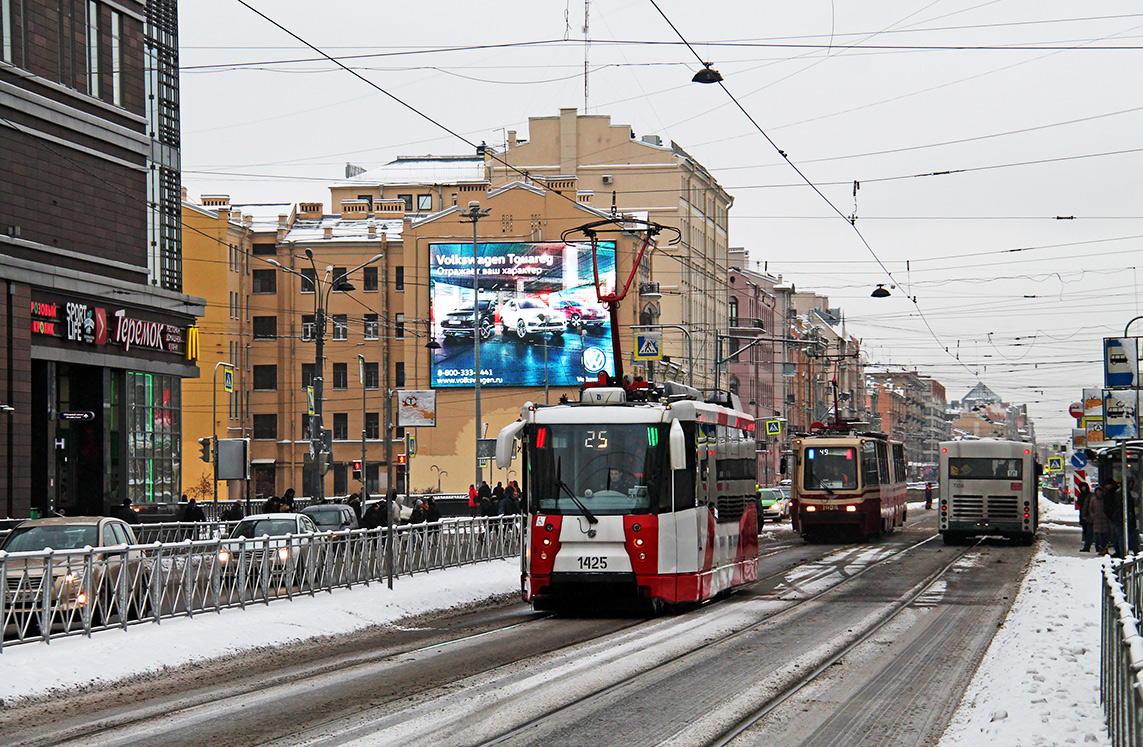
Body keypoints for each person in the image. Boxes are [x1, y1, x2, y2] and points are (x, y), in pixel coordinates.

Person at [1092, 485, 1111, 555]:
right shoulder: (1093, 500)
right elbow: (1090, 509)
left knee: (1105, 536)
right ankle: (1100, 548)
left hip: (1104, 520)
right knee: (1099, 536)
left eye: (1099, 491)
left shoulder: (1104, 500)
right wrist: (1093, 516)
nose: (1098, 493)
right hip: (1097, 521)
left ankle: (1103, 548)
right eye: (1097, 491)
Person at [1077, 482, 1094, 552]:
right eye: (1082, 487)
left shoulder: (1090, 496)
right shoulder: (1080, 495)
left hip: (1089, 515)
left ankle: (1087, 545)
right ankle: (1087, 544)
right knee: (1086, 530)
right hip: (1083, 514)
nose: (1083, 488)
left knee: (1089, 531)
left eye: (1084, 487)